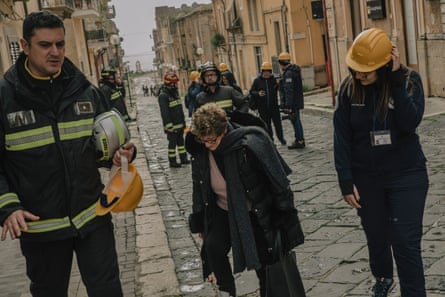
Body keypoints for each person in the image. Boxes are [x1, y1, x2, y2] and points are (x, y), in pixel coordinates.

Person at [0, 10, 136, 297]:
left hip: (92, 218)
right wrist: (8, 208)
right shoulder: (5, 98)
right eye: (45, 45)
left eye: (60, 44)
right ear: (24, 46)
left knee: (108, 291)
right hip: (41, 229)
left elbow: (101, 148)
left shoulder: (85, 91)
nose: (55, 52)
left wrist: (121, 153)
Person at [334, 28, 429, 297]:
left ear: (386, 63)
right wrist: (345, 179)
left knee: (405, 241)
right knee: (376, 235)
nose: (360, 74)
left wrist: (396, 82)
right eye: (356, 68)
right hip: (367, 177)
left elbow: (410, 123)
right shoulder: (348, 88)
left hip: (407, 174)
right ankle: (383, 277)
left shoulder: (409, 80)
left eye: (367, 69)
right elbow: (341, 136)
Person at [186, 103, 304, 297]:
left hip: (255, 211)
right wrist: (199, 221)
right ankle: (227, 292)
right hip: (222, 210)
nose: (207, 145)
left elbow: (277, 184)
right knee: (213, 247)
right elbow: (198, 188)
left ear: (223, 130)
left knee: (265, 263)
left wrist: (282, 216)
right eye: (203, 140)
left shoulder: (249, 144)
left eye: (212, 140)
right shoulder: (201, 150)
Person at [158, 71, 190, 168]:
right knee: (172, 144)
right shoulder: (163, 96)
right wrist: (168, 126)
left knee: (181, 143)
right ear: (170, 83)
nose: (176, 84)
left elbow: (180, 110)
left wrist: (183, 123)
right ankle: (172, 161)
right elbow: (165, 113)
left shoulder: (175, 93)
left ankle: (183, 158)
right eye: (174, 83)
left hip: (179, 124)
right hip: (172, 127)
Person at [249, 61, 286, 145]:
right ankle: (271, 140)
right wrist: (258, 93)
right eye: (265, 72)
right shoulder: (257, 81)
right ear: (262, 72)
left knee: (278, 124)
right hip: (263, 108)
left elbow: (279, 89)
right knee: (267, 125)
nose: (266, 74)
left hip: (274, 106)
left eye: (268, 72)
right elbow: (251, 92)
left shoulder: (273, 80)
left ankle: (281, 138)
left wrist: (278, 84)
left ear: (270, 72)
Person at [278, 51, 305, 149]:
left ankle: (299, 140)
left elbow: (289, 90)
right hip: (297, 101)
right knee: (297, 120)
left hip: (293, 103)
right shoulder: (294, 71)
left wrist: (288, 106)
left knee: (295, 121)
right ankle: (300, 139)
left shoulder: (288, 74)